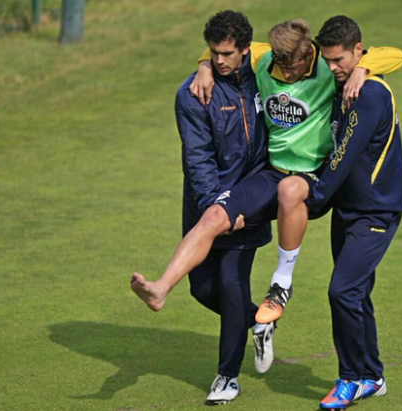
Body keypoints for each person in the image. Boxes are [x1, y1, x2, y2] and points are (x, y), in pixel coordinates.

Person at [131, 19, 402, 329]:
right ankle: (161, 288)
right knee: (213, 215)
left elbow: (396, 55)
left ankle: (281, 283)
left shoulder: (329, 68)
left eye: (294, 68)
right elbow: (226, 50)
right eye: (280, 66)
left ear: (309, 56)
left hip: (313, 174)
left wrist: (362, 69)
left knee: (289, 189)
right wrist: (204, 64)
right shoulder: (264, 57)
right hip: (271, 172)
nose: (286, 74)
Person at [131, 10, 275, 405]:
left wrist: (238, 210)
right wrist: (218, 211)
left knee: (231, 283)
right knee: (202, 288)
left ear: (246, 50)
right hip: (207, 203)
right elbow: (198, 160)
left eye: (228, 53)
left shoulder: (265, 73)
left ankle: (227, 377)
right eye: (213, 53)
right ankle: (258, 320)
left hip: (253, 196)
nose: (220, 60)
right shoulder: (193, 93)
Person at [280, 15, 402, 409]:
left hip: (375, 212)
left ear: (358, 50)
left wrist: (314, 200)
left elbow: (345, 154)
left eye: (341, 61)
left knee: (342, 291)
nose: (333, 68)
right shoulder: (344, 80)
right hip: (349, 210)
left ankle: (350, 378)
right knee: (358, 294)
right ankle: (372, 375)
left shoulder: (368, 94)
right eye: (328, 61)